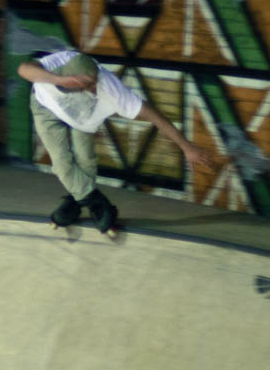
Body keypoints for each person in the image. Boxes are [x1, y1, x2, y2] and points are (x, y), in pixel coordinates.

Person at [17, 50, 213, 234]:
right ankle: (98, 204)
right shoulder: (58, 62)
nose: (94, 90)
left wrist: (186, 147)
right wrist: (58, 80)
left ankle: (77, 200)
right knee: (61, 163)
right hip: (46, 109)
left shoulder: (112, 89)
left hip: (83, 120)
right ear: (71, 82)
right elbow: (24, 69)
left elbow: (154, 116)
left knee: (86, 162)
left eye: (94, 83)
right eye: (86, 86)